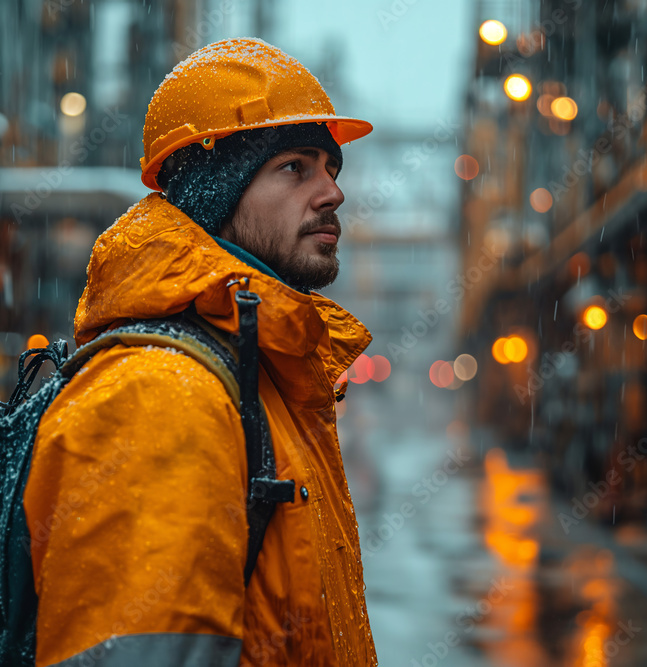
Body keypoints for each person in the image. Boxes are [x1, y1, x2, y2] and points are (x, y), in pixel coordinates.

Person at [22, 37, 379, 666]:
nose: (332, 193)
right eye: (295, 167)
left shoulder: (259, 370)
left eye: (331, 168)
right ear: (217, 193)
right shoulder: (157, 393)